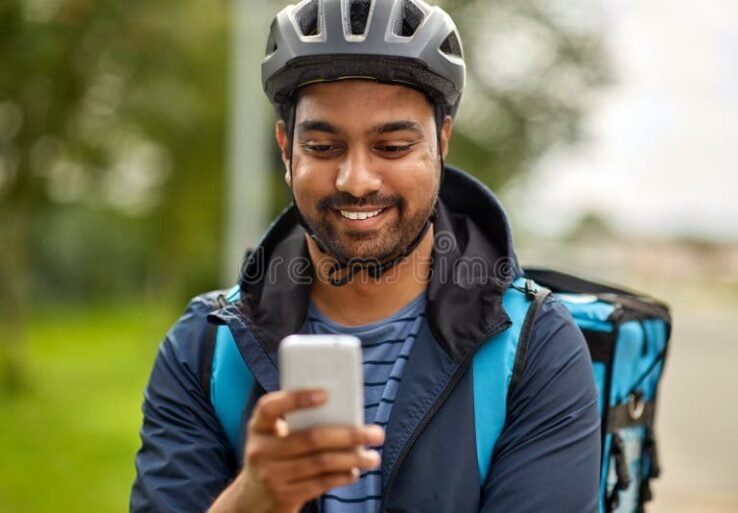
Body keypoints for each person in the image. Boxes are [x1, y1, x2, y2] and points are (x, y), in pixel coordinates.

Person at [130, 0, 601, 512]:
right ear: (286, 148)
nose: (356, 181)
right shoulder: (202, 348)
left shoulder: (537, 346)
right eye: (323, 147)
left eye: (393, 146)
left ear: (441, 143)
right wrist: (254, 499)